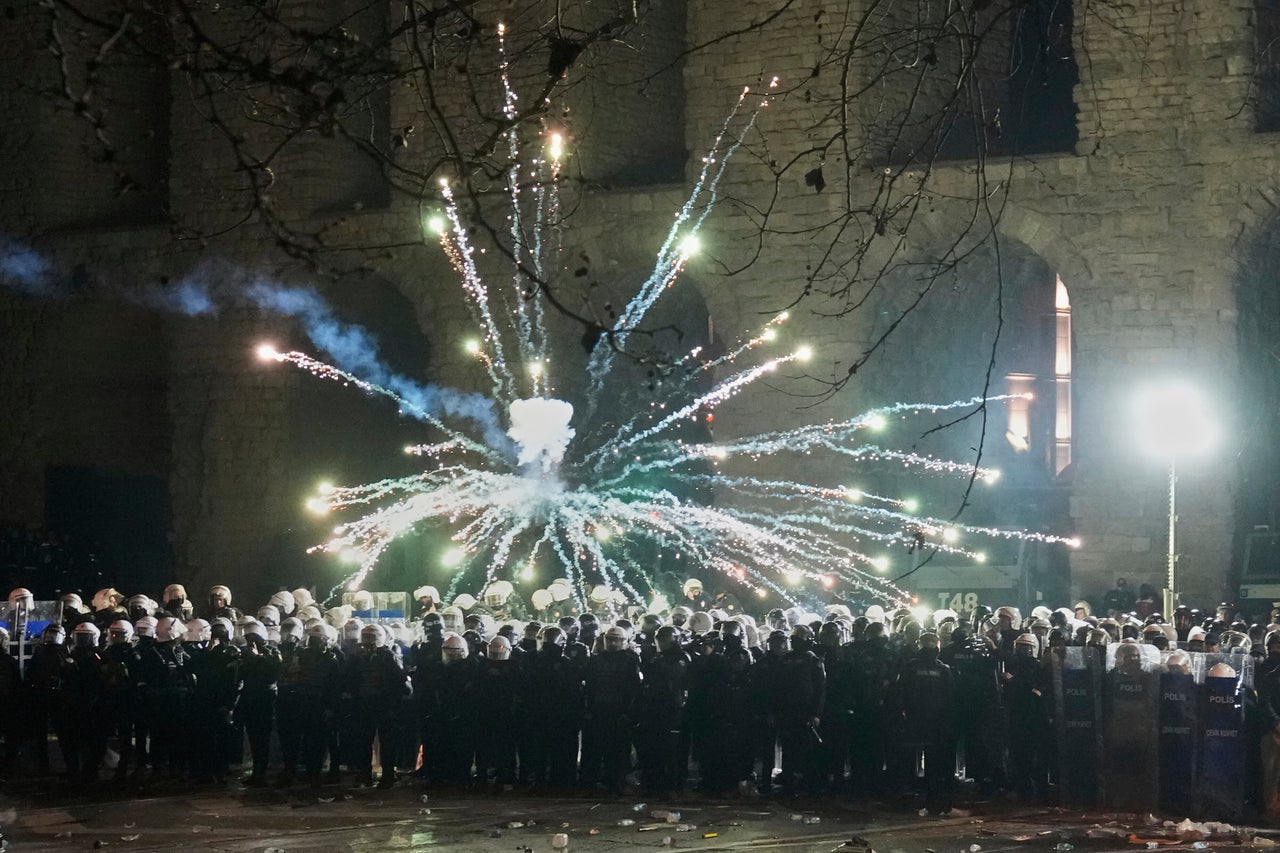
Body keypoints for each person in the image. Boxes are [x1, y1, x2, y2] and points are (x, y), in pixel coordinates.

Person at [346, 623, 411, 788]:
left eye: (371, 637)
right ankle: (364, 774)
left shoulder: (388, 656)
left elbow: (400, 681)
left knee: (387, 742)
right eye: (365, 637)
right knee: (363, 741)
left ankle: (388, 775)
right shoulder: (357, 657)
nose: (367, 641)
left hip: (384, 705)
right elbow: (350, 679)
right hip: (364, 704)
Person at [580, 625, 641, 793]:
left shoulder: (630, 660)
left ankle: (615, 781)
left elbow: (633, 688)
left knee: (618, 750)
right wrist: (589, 708)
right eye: (610, 639)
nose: (613, 643)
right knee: (595, 748)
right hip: (599, 709)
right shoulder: (596, 659)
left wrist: (628, 712)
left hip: (618, 710)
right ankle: (592, 781)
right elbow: (589, 686)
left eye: (616, 640)